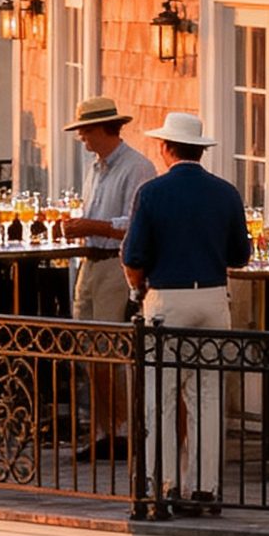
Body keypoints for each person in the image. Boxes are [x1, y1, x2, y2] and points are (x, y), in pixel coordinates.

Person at [122, 108, 251, 518]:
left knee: (160, 396)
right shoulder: (226, 193)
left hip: (167, 298)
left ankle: (161, 483)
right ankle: (204, 487)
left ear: (166, 147)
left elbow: (134, 255)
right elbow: (240, 256)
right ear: (200, 150)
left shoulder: (152, 192)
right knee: (207, 396)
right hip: (212, 297)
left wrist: (136, 289)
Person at [64, 95, 154, 456]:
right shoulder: (95, 168)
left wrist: (92, 225)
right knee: (89, 351)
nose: (82, 137)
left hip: (117, 265)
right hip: (90, 262)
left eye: (85, 130)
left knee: (110, 348)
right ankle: (104, 430)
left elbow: (138, 223)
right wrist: (82, 226)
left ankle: (124, 432)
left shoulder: (137, 167)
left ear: (104, 129)